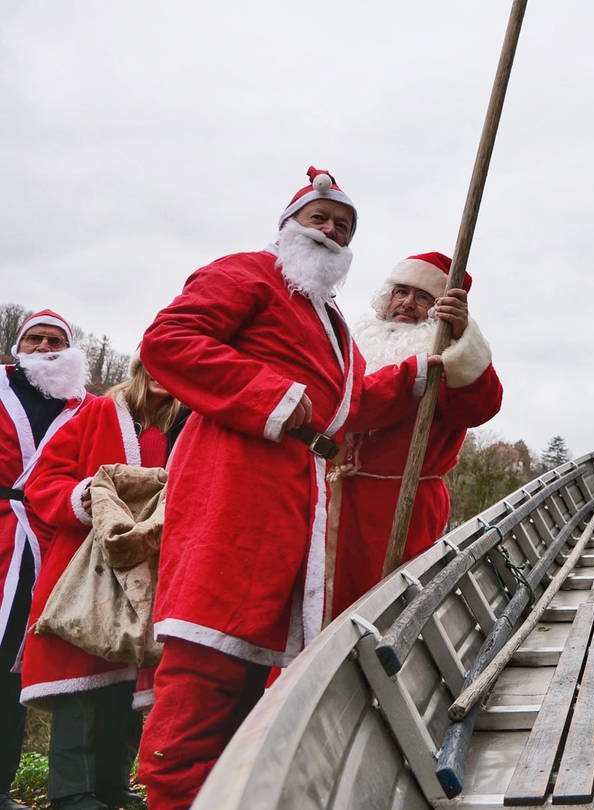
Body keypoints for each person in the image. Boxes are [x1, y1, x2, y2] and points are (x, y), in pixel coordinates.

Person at [135, 167, 422, 808]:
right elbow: (169, 340)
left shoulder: (331, 322)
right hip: (234, 479)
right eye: (319, 218)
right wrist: (273, 396)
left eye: (343, 226)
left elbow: (342, 411)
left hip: (297, 497)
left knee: (250, 665)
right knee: (209, 647)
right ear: (289, 223)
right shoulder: (246, 273)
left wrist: (414, 374)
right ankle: (173, 797)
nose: (330, 231)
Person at [20, 359, 185, 810]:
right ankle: (71, 792)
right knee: (79, 678)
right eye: (153, 363)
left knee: (127, 684)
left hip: (150, 569)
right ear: (138, 365)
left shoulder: (188, 427)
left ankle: (113, 785)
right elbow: (43, 482)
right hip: (86, 566)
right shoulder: (95, 414)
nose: (161, 373)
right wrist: (88, 500)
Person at [331, 252, 502, 614]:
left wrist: (462, 338)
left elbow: (480, 407)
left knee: (386, 609)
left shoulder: (446, 358)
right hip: (336, 498)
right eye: (400, 292)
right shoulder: (354, 341)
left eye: (423, 297)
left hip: (401, 507)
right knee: (324, 601)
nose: (407, 303)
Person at [0, 310, 91, 810]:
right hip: (0, 530)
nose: (45, 347)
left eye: (56, 339)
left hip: (50, 539)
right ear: (19, 346)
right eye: (34, 338)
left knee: (21, 665)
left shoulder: (86, 407)